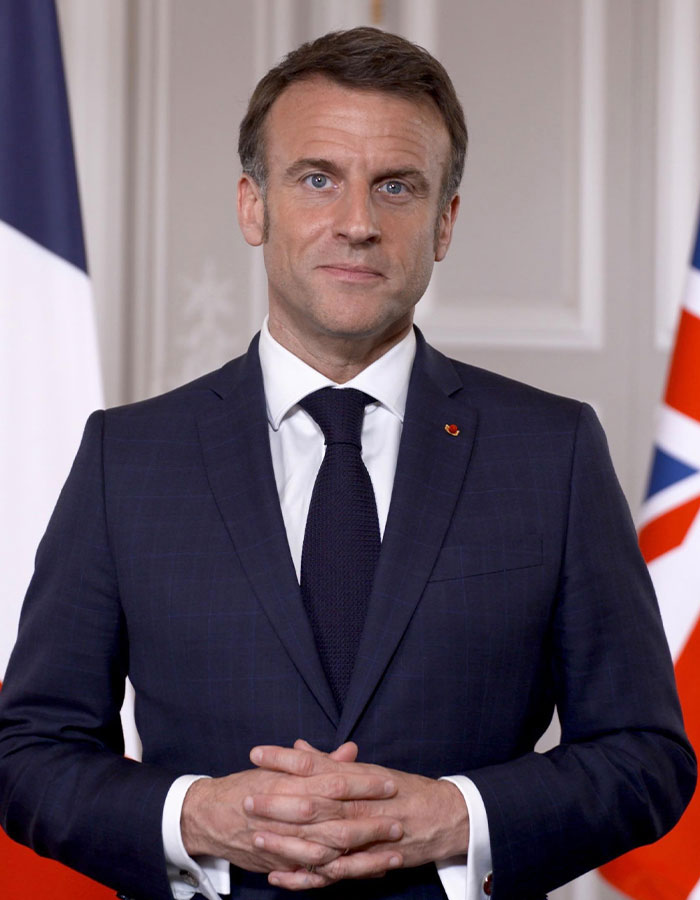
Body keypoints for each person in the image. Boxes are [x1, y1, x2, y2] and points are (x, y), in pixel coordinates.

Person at [0, 26, 695, 900]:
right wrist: (192, 817)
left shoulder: (552, 450)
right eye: (317, 178)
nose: (358, 223)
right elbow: (29, 754)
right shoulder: (126, 457)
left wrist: (459, 817)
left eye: (396, 187)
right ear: (253, 206)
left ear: (444, 222)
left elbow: (646, 759)